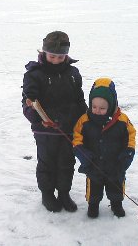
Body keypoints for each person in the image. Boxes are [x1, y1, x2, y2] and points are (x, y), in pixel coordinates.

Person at [22, 31, 87, 213]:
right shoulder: (34, 74)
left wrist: (85, 119)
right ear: (44, 52)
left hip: (69, 129)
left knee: (67, 162)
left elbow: (79, 100)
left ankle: (64, 193)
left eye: (61, 56)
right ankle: (47, 194)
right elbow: (28, 102)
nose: (57, 60)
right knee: (47, 163)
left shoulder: (73, 73)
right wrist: (36, 117)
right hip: (45, 131)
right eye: (52, 56)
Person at [73, 78, 136, 218]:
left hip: (115, 162)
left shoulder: (122, 120)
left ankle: (116, 204)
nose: (97, 111)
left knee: (116, 185)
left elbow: (130, 136)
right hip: (93, 162)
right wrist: (83, 153)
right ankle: (93, 205)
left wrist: (127, 153)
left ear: (111, 105)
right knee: (94, 187)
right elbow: (77, 137)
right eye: (94, 107)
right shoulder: (85, 120)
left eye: (102, 108)